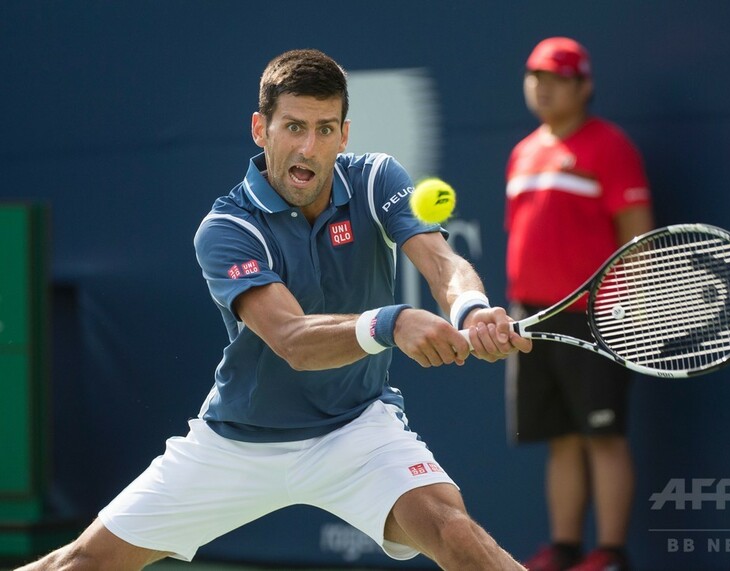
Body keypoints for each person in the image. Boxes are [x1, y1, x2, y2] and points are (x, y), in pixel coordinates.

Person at [17, 49, 531, 571]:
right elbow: (292, 340)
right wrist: (390, 322)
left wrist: (470, 309)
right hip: (239, 442)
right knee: (80, 564)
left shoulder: (377, 179)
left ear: (345, 135)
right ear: (260, 129)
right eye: (294, 127)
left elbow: (441, 260)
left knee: (458, 536)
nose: (309, 147)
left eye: (326, 129)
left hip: (357, 428)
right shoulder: (227, 229)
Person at [504, 38, 654, 571]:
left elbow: (638, 240)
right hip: (534, 318)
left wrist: (624, 310)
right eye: (535, 76)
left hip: (599, 319)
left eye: (557, 78)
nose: (542, 87)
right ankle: (565, 548)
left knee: (603, 437)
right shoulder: (523, 151)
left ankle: (610, 554)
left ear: (583, 86)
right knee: (561, 439)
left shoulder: (609, 147)